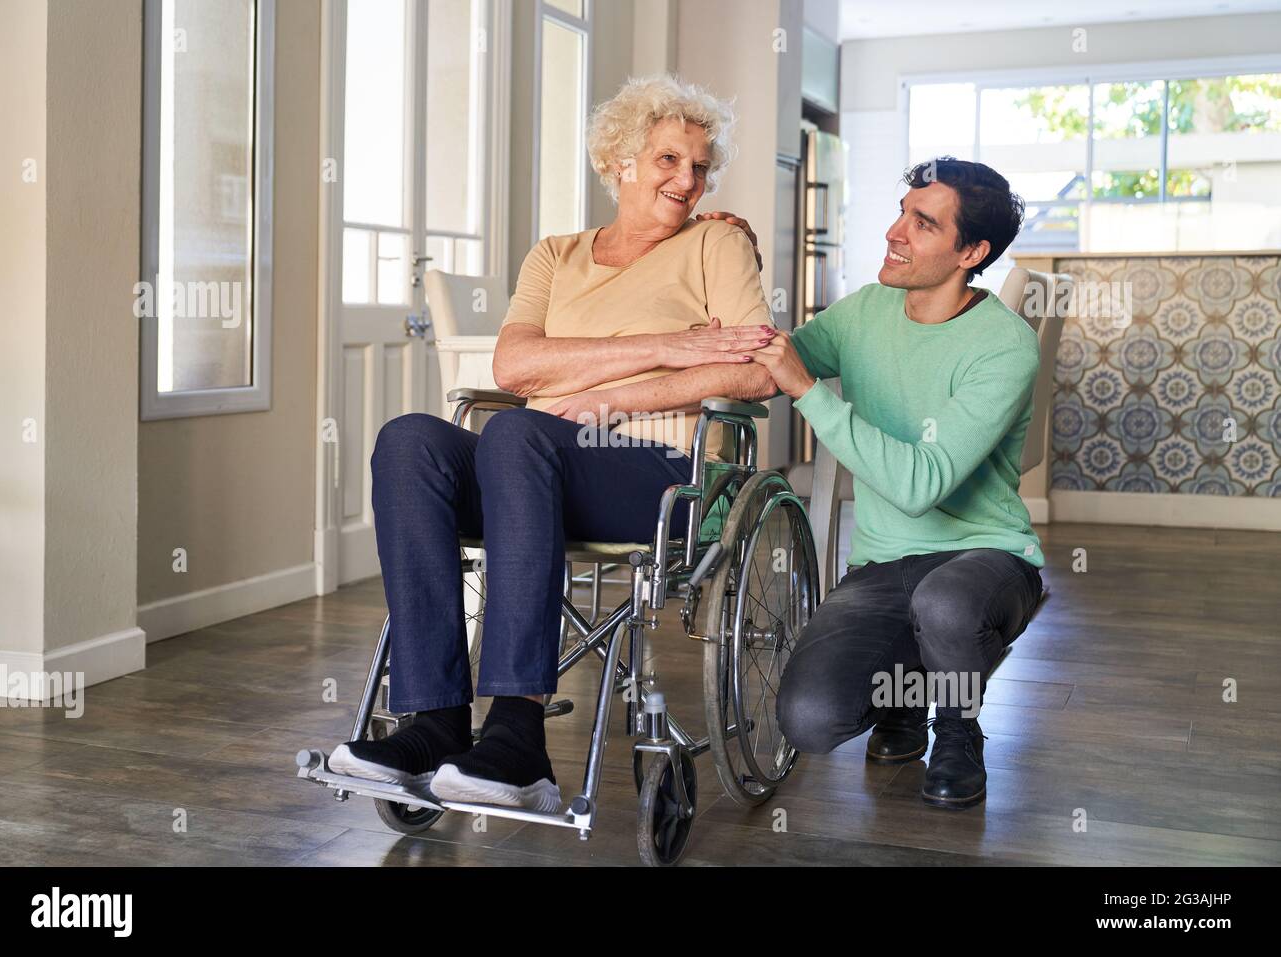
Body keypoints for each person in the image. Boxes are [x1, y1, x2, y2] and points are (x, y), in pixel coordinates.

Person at [327, 75, 769, 812]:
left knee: (517, 430)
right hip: (530, 461)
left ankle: (518, 733)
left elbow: (754, 369)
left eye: (698, 165)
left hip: (654, 471)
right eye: (667, 159)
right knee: (410, 441)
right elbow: (514, 365)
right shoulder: (556, 255)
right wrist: (674, 344)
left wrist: (607, 392)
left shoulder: (717, 243)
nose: (687, 180)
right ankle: (434, 720)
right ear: (619, 162)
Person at [646, 157, 1045, 809]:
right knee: (810, 717)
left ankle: (956, 726)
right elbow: (771, 360)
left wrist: (809, 391)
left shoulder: (1003, 346)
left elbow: (922, 484)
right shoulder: (868, 310)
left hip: (986, 556)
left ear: (971, 251)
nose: (895, 231)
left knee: (946, 603)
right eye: (901, 212)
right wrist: (726, 255)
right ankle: (906, 691)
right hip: (885, 564)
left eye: (923, 223)